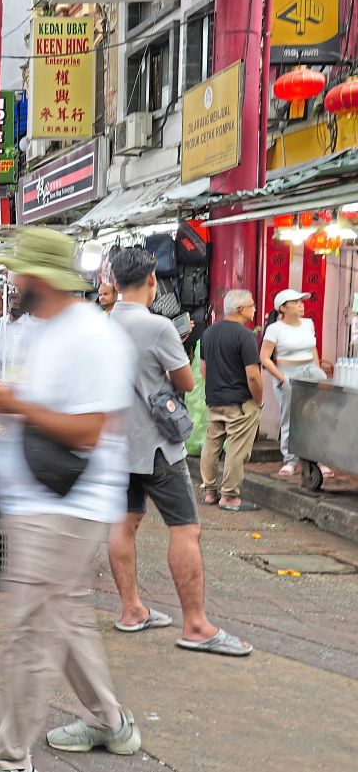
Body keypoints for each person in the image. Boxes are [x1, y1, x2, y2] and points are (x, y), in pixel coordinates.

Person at [0, 228, 141, 772]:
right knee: (63, 617)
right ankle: (110, 723)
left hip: (66, 507)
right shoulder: (45, 329)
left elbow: (91, 429)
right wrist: (10, 406)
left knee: (27, 630)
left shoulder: (90, 334)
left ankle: (8, 759)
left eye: (19, 273)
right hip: (43, 503)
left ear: (40, 279)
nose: (13, 281)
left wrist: (17, 405)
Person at [106, 249, 252, 657]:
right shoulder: (158, 327)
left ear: (115, 282)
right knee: (186, 529)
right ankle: (196, 625)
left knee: (125, 523)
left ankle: (132, 610)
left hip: (116, 445)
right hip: (156, 444)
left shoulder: (102, 325)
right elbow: (185, 382)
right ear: (152, 280)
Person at [199, 290, 263, 511]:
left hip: (215, 400)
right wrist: (258, 401)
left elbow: (203, 369)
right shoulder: (245, 336)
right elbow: (253, 375)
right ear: (239, 309)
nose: (254, 308)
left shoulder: (208, 333)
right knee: (237, 449)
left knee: (212, 445)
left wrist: (216, 389)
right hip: (239, 401)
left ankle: (209, 491)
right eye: (251, 305)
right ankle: (229, 496)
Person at [259, 289, 332, 479]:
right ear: (283, 307)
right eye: (296, 302)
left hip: (310, 371)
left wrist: (317, 370)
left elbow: (313, 348)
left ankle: (319, 458)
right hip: (287, 373)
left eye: (302, 301)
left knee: (317, 414)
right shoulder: (274, 329)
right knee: (290, 417)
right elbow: (265, 357)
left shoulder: (308, 324)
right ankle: (290, 460)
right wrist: (281, 377)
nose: (302, 305)